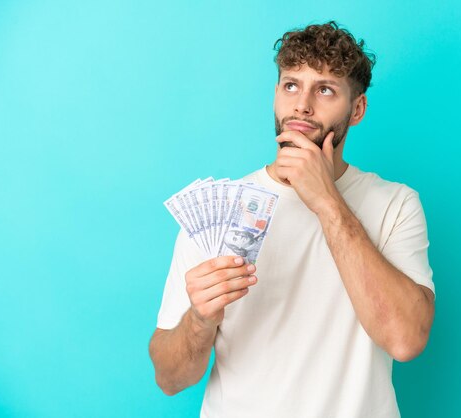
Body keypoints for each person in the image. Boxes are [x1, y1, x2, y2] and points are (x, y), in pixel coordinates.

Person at [149, 20, 436, 418]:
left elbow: (406, 340)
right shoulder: (221, 209)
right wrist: (200, 319)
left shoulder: (395, 205)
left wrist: (327, 202)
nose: (302, 104)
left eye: (324, 89)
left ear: (357, 109)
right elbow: (169, 379)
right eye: (290, 85)